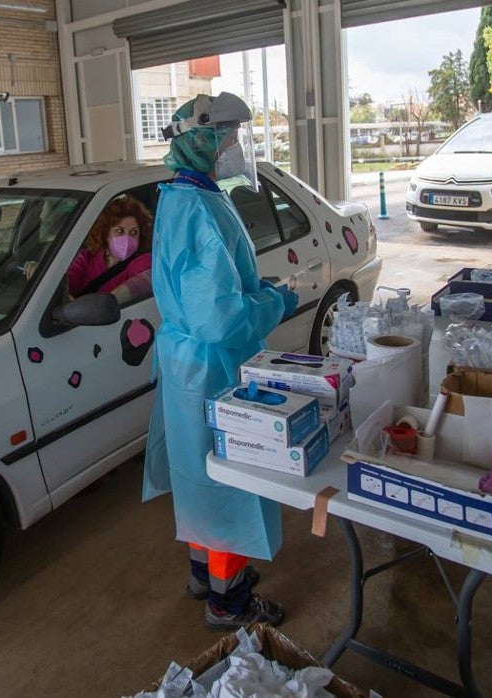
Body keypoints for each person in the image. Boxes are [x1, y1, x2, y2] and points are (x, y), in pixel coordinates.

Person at [142, 92, 299, 630]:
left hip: (189, 361)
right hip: (213, 362)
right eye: (229, 136)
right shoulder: (202, 208)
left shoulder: (180, 195)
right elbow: (220, 318)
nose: (236, 146)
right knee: (228, 479)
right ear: (205, 138)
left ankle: (202, 572)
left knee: (197, 472)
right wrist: (277, 300)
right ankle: (227, 600)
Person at [66, 195, 153, 305]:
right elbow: (64, 287)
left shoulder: (143, 260)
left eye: (134, 232)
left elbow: (142, 283)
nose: (127, 238)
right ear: (106, 233)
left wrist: (102, 306)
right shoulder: (87, 257)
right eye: (119, 231)